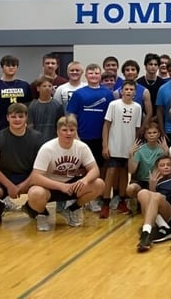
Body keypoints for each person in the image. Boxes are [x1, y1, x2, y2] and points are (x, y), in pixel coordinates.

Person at [25, 115, 106, 231]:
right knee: (35, 193)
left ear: (75, 131)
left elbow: (95, 169)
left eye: (72, 130)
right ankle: (42, 214)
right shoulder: (47, 148)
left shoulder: (82, 147)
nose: (68, 133)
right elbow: (35, 177)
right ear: (58, 132)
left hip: (72, 184)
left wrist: (85, 180)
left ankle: (72, 209)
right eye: (64, 130)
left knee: (99, 184)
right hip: (51, 186)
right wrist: (61, 186)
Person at [0, 103, 45, 225]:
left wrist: (24, 184)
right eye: (13, 117)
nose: (17, 119)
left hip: (29, 177)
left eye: (21, 116)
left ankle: (31, 207)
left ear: (26, 118)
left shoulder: (37, 137)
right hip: (4, 177)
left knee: (40, 194)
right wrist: (10, 186)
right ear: (7, 118)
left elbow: (39, 168)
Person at [66, 63, 115, 212]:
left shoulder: (107, 94)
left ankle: (94, 198)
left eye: (96, 73)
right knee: (81, 169)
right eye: (91, 73)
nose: (94, 76)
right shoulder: (79, 94)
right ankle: (78, 197)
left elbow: (110, 119)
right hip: (83, 137)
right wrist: (75, 136)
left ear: (100, 75)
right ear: (86, 75)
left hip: (100, 138)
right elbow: (71, 116)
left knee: (97, 169)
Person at [100, 80, 142, 217]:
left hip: (128, 147)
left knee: (125, 174)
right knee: (111, 173)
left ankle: (121, 201)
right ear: (121, 91)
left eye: (131, 89)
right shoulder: (114, 105)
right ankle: (105, 203)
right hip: (114, 145)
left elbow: (137, 129)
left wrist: (135, 147)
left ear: (135, 92)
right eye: (126, 89)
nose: (129, 91)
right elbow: (106, 125)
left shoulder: (137, 107)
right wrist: (105, 145)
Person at [0, 55, 32, 136]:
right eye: (8, 65)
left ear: (17, 67)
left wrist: (30, 126)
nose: (11, 68)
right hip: (2, 129)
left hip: (22, 128)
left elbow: (29, 108)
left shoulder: (24, 85)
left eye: (14, 65)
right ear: (2, 68)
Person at [126, 122, 167, 204]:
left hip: (157, 181)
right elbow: (131, 170)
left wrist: (167, 152)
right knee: (130, 189)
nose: (152, 135)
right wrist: (131, 155)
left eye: (154, 132)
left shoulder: (162, 149)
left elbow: (167, 167)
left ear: (159, 134)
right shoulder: (140, 150)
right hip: (141, 181)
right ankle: (136, 201)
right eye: (149, 133)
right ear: (145, 135)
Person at [27, 77, 65, 142]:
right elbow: (30, 126)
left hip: (53, 141)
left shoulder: (58, 105)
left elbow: (60, 125)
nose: (47, 88)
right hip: (36, 141)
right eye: (44, 86)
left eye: (49, 86)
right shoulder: (32, 106)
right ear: (38, 88)